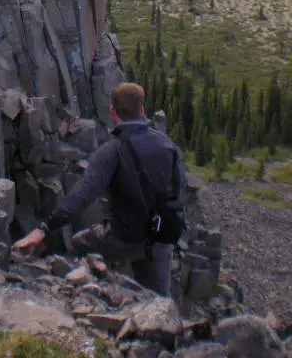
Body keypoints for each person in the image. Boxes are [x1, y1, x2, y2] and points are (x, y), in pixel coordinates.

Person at [13, 82, 184, 296]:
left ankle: (94, 295)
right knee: (159, 300)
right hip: (162, 235)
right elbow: (178, 191)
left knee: (77, 245)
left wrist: (43, 229)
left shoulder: (112, 150)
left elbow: (83, 194)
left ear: (113, 112)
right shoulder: (168, 145)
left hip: (125, 236)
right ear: (142, 110)